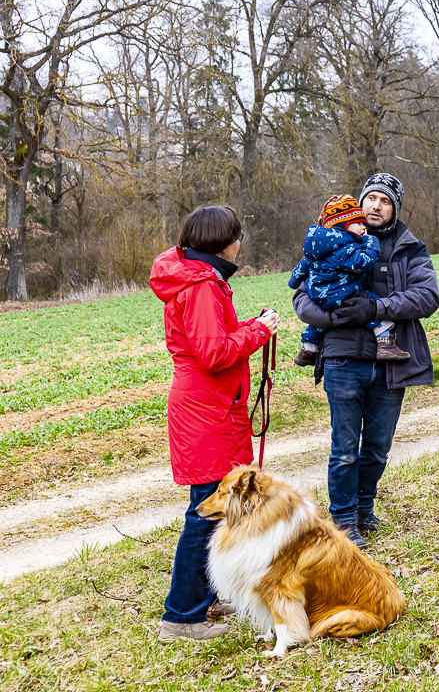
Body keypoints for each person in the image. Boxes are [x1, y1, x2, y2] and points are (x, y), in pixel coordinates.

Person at [148, 205, 280, 642]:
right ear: (225, 243)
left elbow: (215, 338)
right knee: (208, 510)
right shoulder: (203, 285)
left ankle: (205, 596)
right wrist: (259, 332)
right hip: (207, 411)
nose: (240, 242)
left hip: (213, 407)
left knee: (221, 506)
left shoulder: (200, 279)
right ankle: (181, 616)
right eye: (238, 235)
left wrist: (251, 325)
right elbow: (214, 353)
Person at [292, 172, 439, 548]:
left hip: (391, 362)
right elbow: (302, 298)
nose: (376, 205)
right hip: (343, 359)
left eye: (385, 201)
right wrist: (335, 316)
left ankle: (363, 509)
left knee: (377, 448)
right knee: (345, 448)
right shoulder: (332, 237)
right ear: (360, 202)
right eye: (371, 198)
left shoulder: (409, 247)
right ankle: (343, 521)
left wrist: (375, 307)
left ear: (394, 209)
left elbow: (427, 297)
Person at [288, 194, 409, 367]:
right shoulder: (347, 247)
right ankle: (385, 343)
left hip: (318, 296)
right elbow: (365, 262)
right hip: (342, 293)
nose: (364, 227)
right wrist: (371, 242)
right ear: (343, 226)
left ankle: (308, 349)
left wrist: (293, 282)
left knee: (320, 323)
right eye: (359, 223)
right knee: (369, 304)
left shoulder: (315, 249)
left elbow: (298, 272)